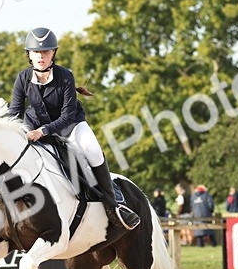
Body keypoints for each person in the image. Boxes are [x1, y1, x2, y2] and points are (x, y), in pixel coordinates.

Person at [8, 27, 140, 230]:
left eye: (45, 51)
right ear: (29, 55)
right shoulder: (23, 78)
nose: (41, 56)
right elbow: (14, 112)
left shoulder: (65, 76)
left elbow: (67, 115)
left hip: (69, 126)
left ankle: (112, 205)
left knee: (93, 150)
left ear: (53, 53)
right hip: (33, 127)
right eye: (36, 52)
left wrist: (42, 131)